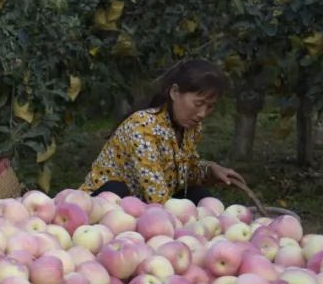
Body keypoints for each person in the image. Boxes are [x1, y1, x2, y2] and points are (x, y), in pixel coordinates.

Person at [80, 58, 245, 204]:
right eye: (198, 104)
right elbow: (157, 196)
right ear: (174, 93)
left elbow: (183, 177)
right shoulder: (143, 127)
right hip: (107, 205)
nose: (202, 114)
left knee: (199, 194)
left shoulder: (191, 129)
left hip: (144, 206)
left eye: (210, 107)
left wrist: (210, 171)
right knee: (116, 191)